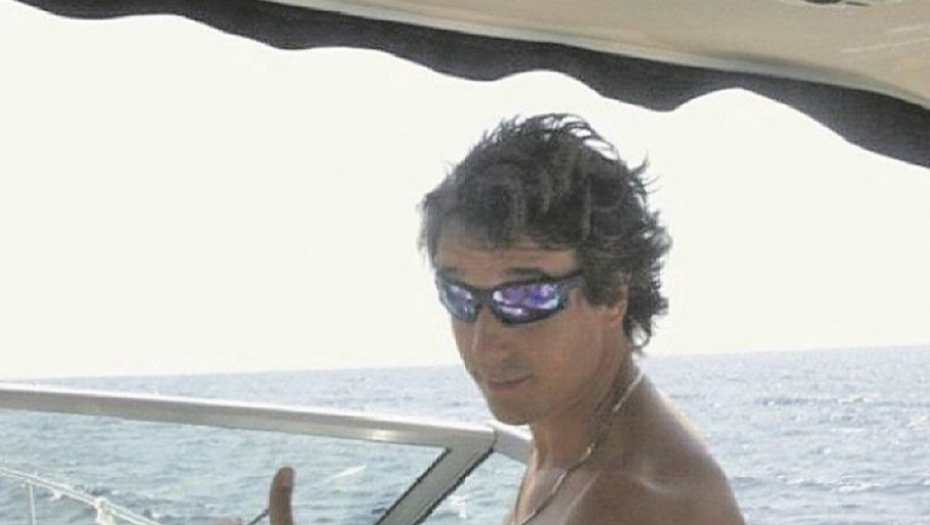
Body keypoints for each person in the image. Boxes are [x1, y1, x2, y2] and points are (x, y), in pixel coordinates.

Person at [261, 113, 745, 525]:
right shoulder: (570, 439)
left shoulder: (631, 504)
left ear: (613, 295)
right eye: (458, 295)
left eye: (525, 296)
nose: (483, 344)